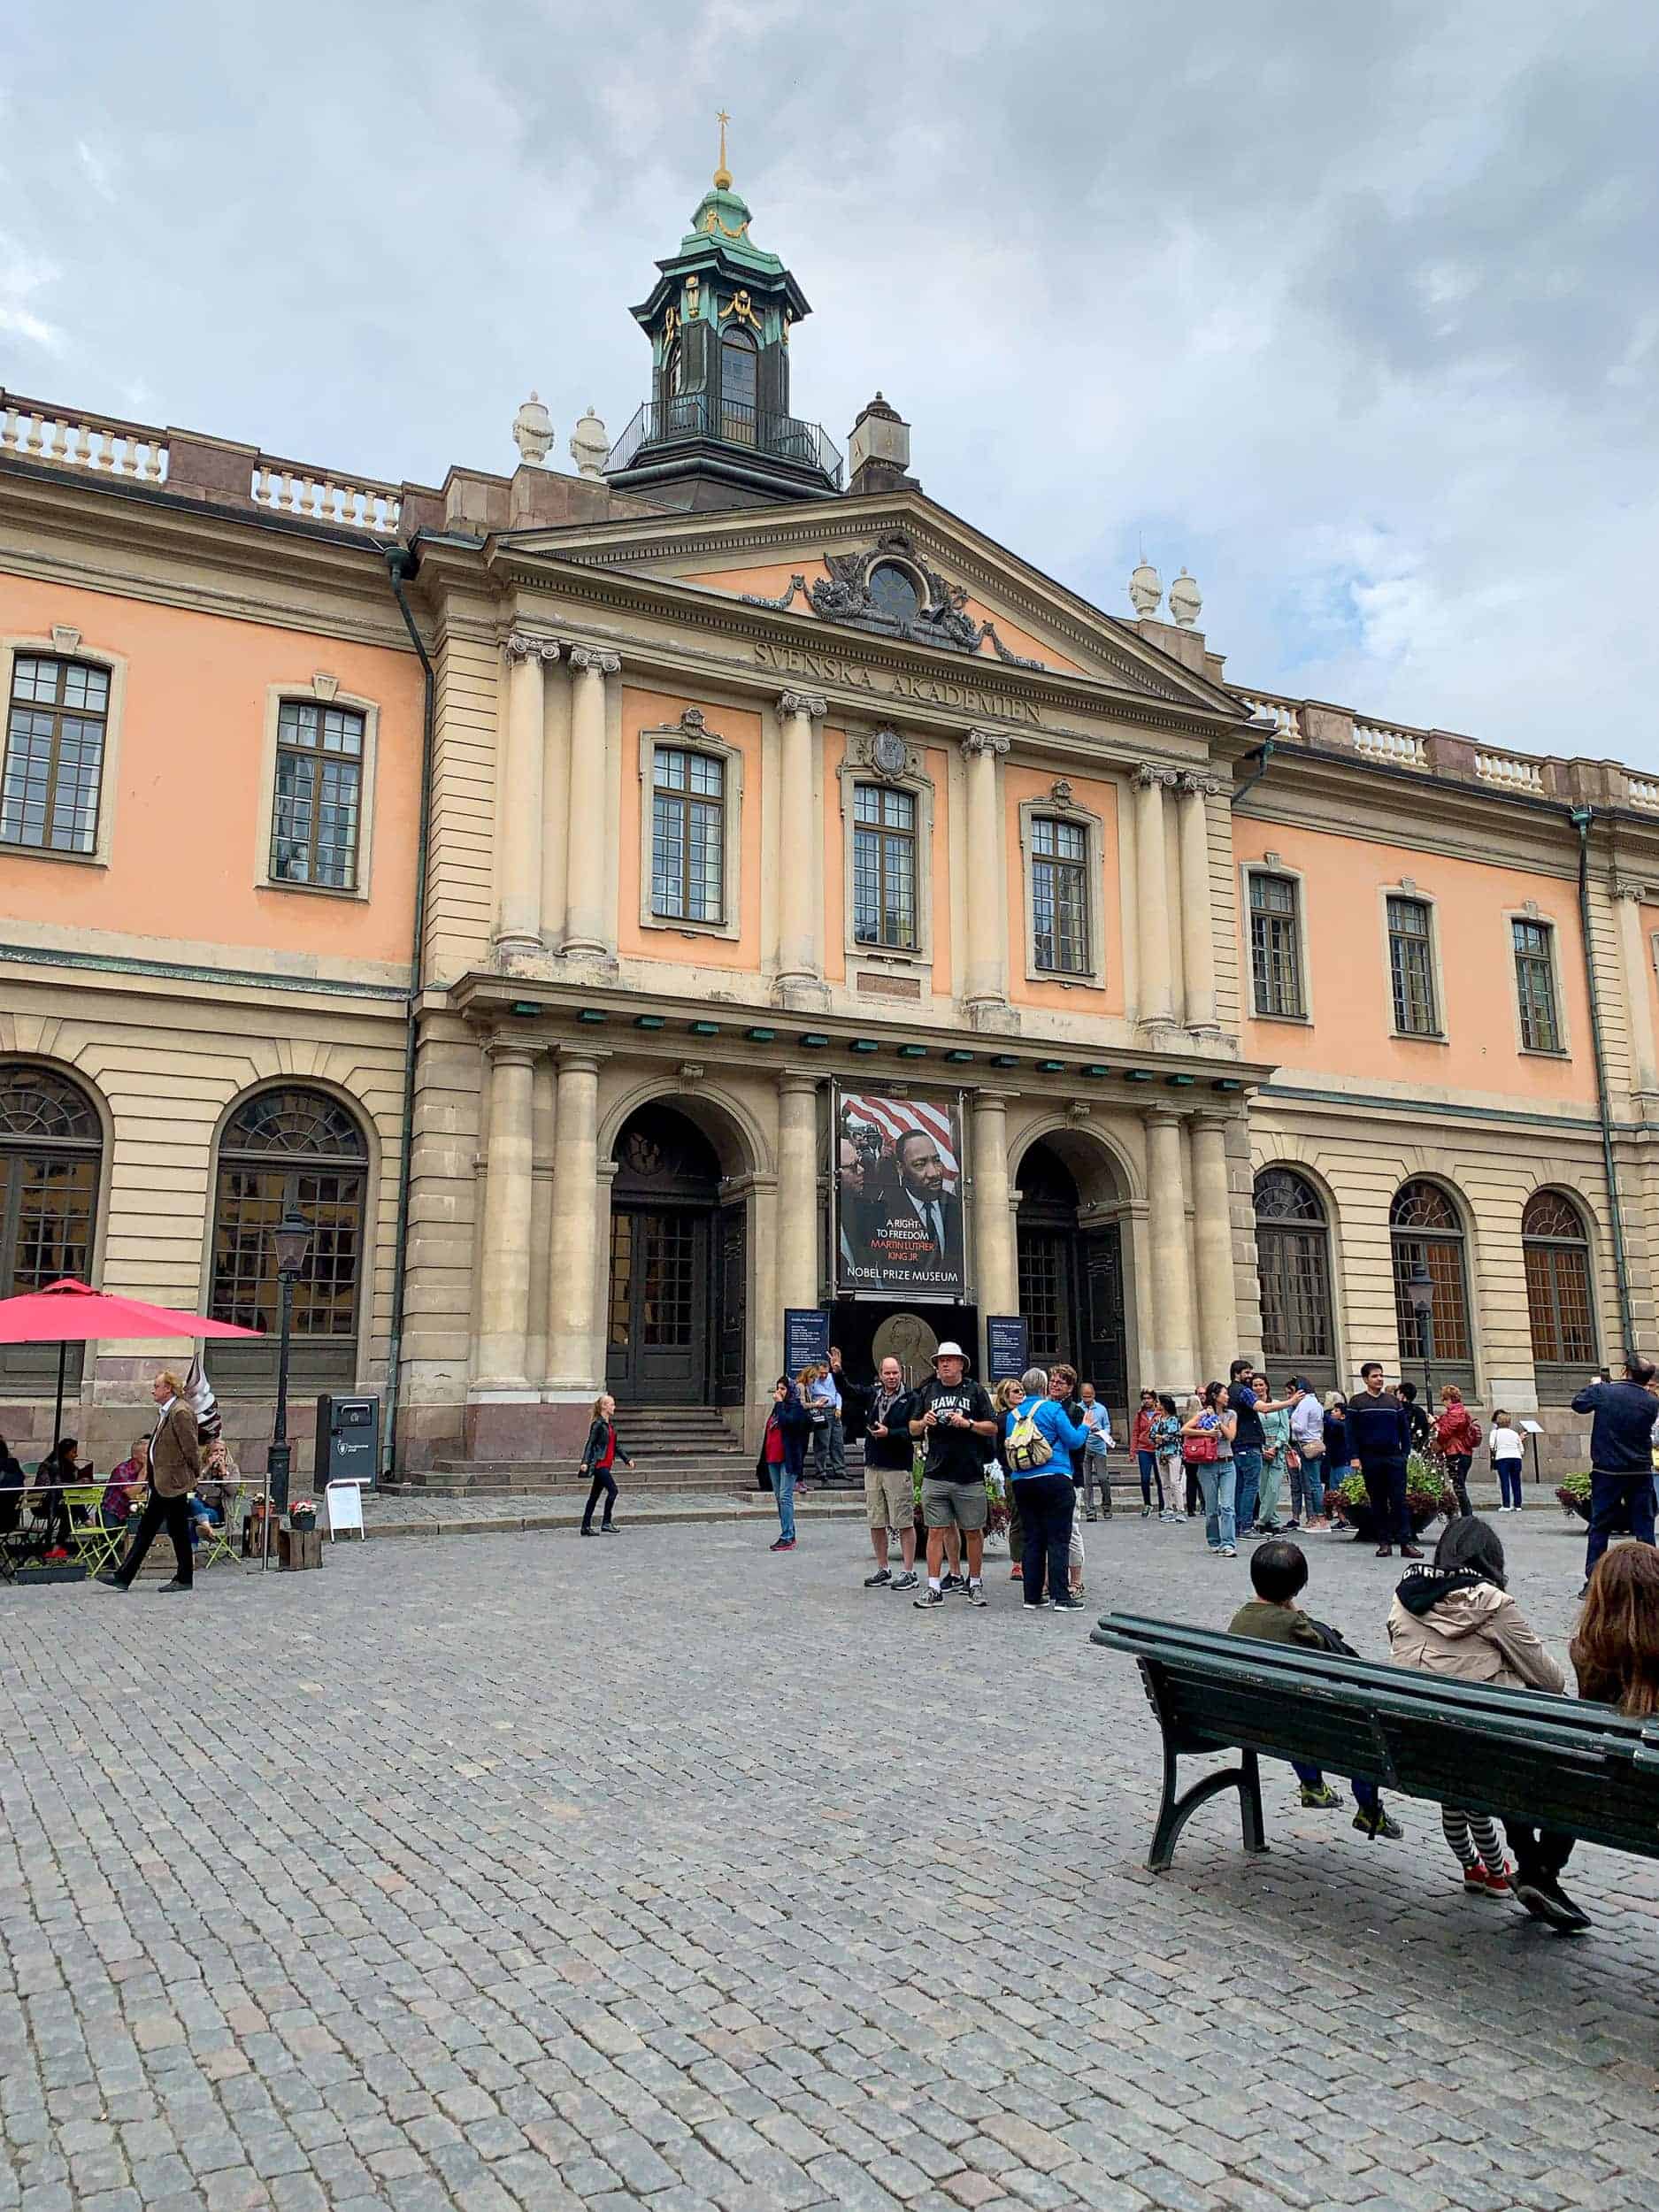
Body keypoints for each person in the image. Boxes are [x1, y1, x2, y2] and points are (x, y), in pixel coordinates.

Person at [1387, 1517, 1567, 1905]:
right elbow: (1552, 1681)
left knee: (1455, 1793)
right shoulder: (1492, 1604)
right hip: (1483, 1747)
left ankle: (1476, 1866)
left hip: (1418, 1741)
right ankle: (1529, 1868)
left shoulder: (1406, 1596)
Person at [1229, 1539, 1402, 1837]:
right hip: (1301, 1726)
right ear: (1296, 1589)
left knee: (1297, 1710)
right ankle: (1370, 1811)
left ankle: (1312, 1785)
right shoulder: (1293, 1624)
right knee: (1359, 1730)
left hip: (1252, 1720)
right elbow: (1322, 1645)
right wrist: (1297, 1612)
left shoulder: (1241, 1619)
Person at [909, 1341, 997, 1608]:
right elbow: (912, 1428)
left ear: (961, 1364)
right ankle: (934, 1587)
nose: (944, 1364)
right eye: (940, 1360)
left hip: (968, 1474)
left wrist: (967, 1423)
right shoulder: (927, 1391)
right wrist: (925, 1422)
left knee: (973, 1531)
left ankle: (975, 1582)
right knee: (935, 1530)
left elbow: (992, 1426)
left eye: (949, 1360)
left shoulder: (975, 1391)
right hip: (936, 1473)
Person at [100, 1372, 201, 1593]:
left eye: (156, 1386)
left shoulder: (180, 1411)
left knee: (175, 1530)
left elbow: (191, 1447)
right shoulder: (168, 1411)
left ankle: (182, 1577)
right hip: (161, 1481)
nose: (153, 1390)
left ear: (169, 1389)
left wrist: (195, 1472)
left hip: (172, 1483)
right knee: (153, 1528)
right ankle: (125, 1576)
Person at [1003, 1365, 1090, 1610]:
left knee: (1033, 1538)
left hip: (1022, 1481)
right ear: (1043, 1387)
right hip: (1054, 1477)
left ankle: (1032, 1596)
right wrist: (1085, 1426)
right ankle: (1061, 1596)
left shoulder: (1014, 1415)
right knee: (1058, 1539)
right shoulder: (1052, 1409)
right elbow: (1073, 1441)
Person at [1571, 1356, 1658, 1589]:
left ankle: (1593, 1581)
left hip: (1607, 1470)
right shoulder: (1651, 1402)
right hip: (1639, 1470)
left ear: (1625, 1371)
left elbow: (1578, 1404)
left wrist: (1595, 1386)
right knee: (1644, 1526)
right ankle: (1651, 1579)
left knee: (1600, 1526)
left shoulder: (1604, 1392)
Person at [1347, 1361, 1421, 1560]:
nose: (1379, 1379)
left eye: (1381, 1375)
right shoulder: (1356, 1402)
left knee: (1400, 1501)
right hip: (1370, 1457)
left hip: (1394, 1457)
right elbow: (1350, 1433)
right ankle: (1384, 1542)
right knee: (1378, 1501)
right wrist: (1354, 1457)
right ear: (1365, 1379)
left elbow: (1404, 1430)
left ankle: (1406, 1543)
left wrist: (1404, 1454)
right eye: (1374, 1376)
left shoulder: (1393, 1402)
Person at [861, 1355, 918, 1591]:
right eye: (887, 1373)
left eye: (895, 1373)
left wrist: (890, 1433)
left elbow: (915, 1430)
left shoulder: (910, 1398)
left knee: (903, 1521)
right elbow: (850, 1391)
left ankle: (909, 1571)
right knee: (876, 1520)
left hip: (897, 1466)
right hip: (873, 1465)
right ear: (881, 1374)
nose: (891, 1377)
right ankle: (883, 1568)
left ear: (901, 1373)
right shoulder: (874, 1395)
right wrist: (838, 1371)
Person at [1182, 1383, 1238, 1557]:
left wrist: (1218, 1423)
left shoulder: (1231, 1414)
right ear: (1215, 1396)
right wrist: (1207, 1434)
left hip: (1227, 1463)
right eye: (1224, 1393)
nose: (1227, 1396)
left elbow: (1231, 1436)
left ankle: (1228, 1543)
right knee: (1212, 1509)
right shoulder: (1203, 1413)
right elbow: (1184, 1430)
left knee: (1228, 1507)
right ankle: (1214, 1541)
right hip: (1207, 1465)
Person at [757, 1376, 810, 1553]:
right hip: (773, 1458)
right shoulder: (777, 1409)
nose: (779, 1392)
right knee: (779, 1497)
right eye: (778, 1388)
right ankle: (789, 1532)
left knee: (785, 1496)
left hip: (788, 1459)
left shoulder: (796, 1408)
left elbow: (788, 1423)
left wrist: (780, 1404)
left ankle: (787, 1536)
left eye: (783, 1389)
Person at [578, 1392, 634, 1536]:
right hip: (599, 1464)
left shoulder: (609, 1426)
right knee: (613, 1490)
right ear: (604, 1407)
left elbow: (615, 1446)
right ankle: (606, 1522)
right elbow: (590, 1444)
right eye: (612, 1404)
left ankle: (585, 1526)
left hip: (606, 1464)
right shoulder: (598, 1424)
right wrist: (584, 1462)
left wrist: (627, 1459)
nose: (614, 1407)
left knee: (594, 1496)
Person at [1225, 1360, 1267, 1538]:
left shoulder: (1230, 1391)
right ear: (1237, 1373)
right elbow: (1263, 1407)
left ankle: (1236, 1526)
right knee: (1250, 1486)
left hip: (1237, 1446)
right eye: (1247, 1373)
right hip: (1249, 1444)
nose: (1251, 1376)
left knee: (1240, 1487)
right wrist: (1291, 1401)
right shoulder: (1243, 1391)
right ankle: (1246, 1526)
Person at [1254, 1371, 1296, 1533]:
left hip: (1277, 1450)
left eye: (1261, 1384)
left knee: (1273, 1488)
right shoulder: (1251, 1407)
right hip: (1259, 1449)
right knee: (1263, 1489)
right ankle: (1275, 1522)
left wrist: (1276, 1446)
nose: (1259, 1388)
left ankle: (1261, 1520)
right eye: (1255, 1385)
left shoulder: (1278, 1405)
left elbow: (1285, 1429)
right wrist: (1262, 1449)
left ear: (1267, 1386)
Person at [993, 1377, 1025, 1581]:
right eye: (1015, 1391)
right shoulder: (1002, 1420)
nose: (1020, 1393)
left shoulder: (1029, 1413)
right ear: (1005, 1396)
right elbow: (996, 1449)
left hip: (1032, 1471)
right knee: (1017, 1519)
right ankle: (1017, 1563)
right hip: (1012, 1473)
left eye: (1021, 1390)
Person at [1434, 1386, 1481, 1517]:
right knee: (1460, 1485)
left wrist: (1435, 1424)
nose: (1443, 1402)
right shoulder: (1462, 1412)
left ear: (1448, 1399)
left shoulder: (1455, 1414)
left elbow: (1444, 1433)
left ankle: (1467, 1517)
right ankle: (1466, 1516)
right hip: (1465, 1453)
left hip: (1456, 1452)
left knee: (1459, 1487)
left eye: (1444, 1399)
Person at [1287, 1379, 1327, 1530]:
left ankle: (1320, 1518)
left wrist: (1291, 1422)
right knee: (1315, 1483)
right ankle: (1318, 1518)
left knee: (1314, 1484)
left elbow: (1301, 1427)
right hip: (1316, 1441)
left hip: (1307, 1444)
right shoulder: (1316, 1403)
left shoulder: (1305, 1404)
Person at [33, 1435, 81, 1559]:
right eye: (73, 1452)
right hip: (43, 1503)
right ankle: (88, 1521)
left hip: (61, 1504)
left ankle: (56, 1549)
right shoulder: (49, 1466)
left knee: (71, 1511)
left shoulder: (71, 1468)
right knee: (72, 1508)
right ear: (65, 1453)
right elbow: (52, 1487)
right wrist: (74, 1484)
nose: (76, 1455)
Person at [803, 1360, 845, 1487]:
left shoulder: (832, 1378)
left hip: (834, 1410)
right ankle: (821, 1469)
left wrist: (839, 1408)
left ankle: (839, 1469)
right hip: (821, 1410)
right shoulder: (813, 1380)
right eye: (821, 1373)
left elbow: (838, 1393)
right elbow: (809, 1395)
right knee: (822, 1441)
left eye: (826, 1373)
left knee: (837, 1441)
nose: (824, 1376)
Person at [1078, 1379, 1115, 1520]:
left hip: (1099, 1446)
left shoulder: (1101, 1409)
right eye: (1084, 1397)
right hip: (1084, 1446)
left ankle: (1106, 1506)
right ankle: (1090, 1510)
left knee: (1103, 1478)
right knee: (1086, 1481)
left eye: (1089, 1396)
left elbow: (1108, 1426)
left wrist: (1101, 1431)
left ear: (1094, 1395)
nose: (1087, 1400)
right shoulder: (1077, 1408)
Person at [1151, 1394, 1185, 1523]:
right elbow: (1152, 1434)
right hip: (1160, 1453)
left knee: (1174, 1481)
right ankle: (1168, 1508)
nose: (1156, 1405)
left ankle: (1180, 1509)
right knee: (1164, 1483)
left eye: (1158, 1403)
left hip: (1173, 1452)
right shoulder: (1157, 1420)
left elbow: (1175, 1434)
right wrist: (1158, 1438)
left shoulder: (1174, 1419)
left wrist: (1162, 1437)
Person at [101, 1436, 148, 1528]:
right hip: (113, 1512)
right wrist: (144, 1471)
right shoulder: (122, 1470)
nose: (151, 1457)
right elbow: (132, 1494)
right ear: (135, 1455)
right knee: (115, 1538)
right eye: (147, 1453)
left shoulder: (150, 1471)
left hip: (133, 1511)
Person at [1488, 1409, 1525, 1515]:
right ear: (1509, 1422)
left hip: (1502, 1458)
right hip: (1516, 1458)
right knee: (1516, 1482)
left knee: (1505, 1482)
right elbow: (1521, 1449)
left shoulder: (1495, 1433)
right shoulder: (1514, 1433)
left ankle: (1506, 1505)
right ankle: (1518, 1505)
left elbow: (1492, 1445)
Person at [1131, 1388, 1159, 1521]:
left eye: (1149, 1398)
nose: (1147, 1401)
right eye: (1144, 1398)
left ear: (1154, 1399)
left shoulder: (1160, 1413)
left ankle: (1163, 1505)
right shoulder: (1140, 1414)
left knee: (1160, 1479)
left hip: (1158, 1449)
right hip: (1144, 1449)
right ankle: (1147, 1503)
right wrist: (1133, 1451)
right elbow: (1135, 1432)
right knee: (1145, 1478)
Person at [1394, 1381, 1432, 1455]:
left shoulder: (1395, 1410)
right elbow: (1425, 1432)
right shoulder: (1420, 1411)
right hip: (1415, 1449)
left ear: (1402, 1395)